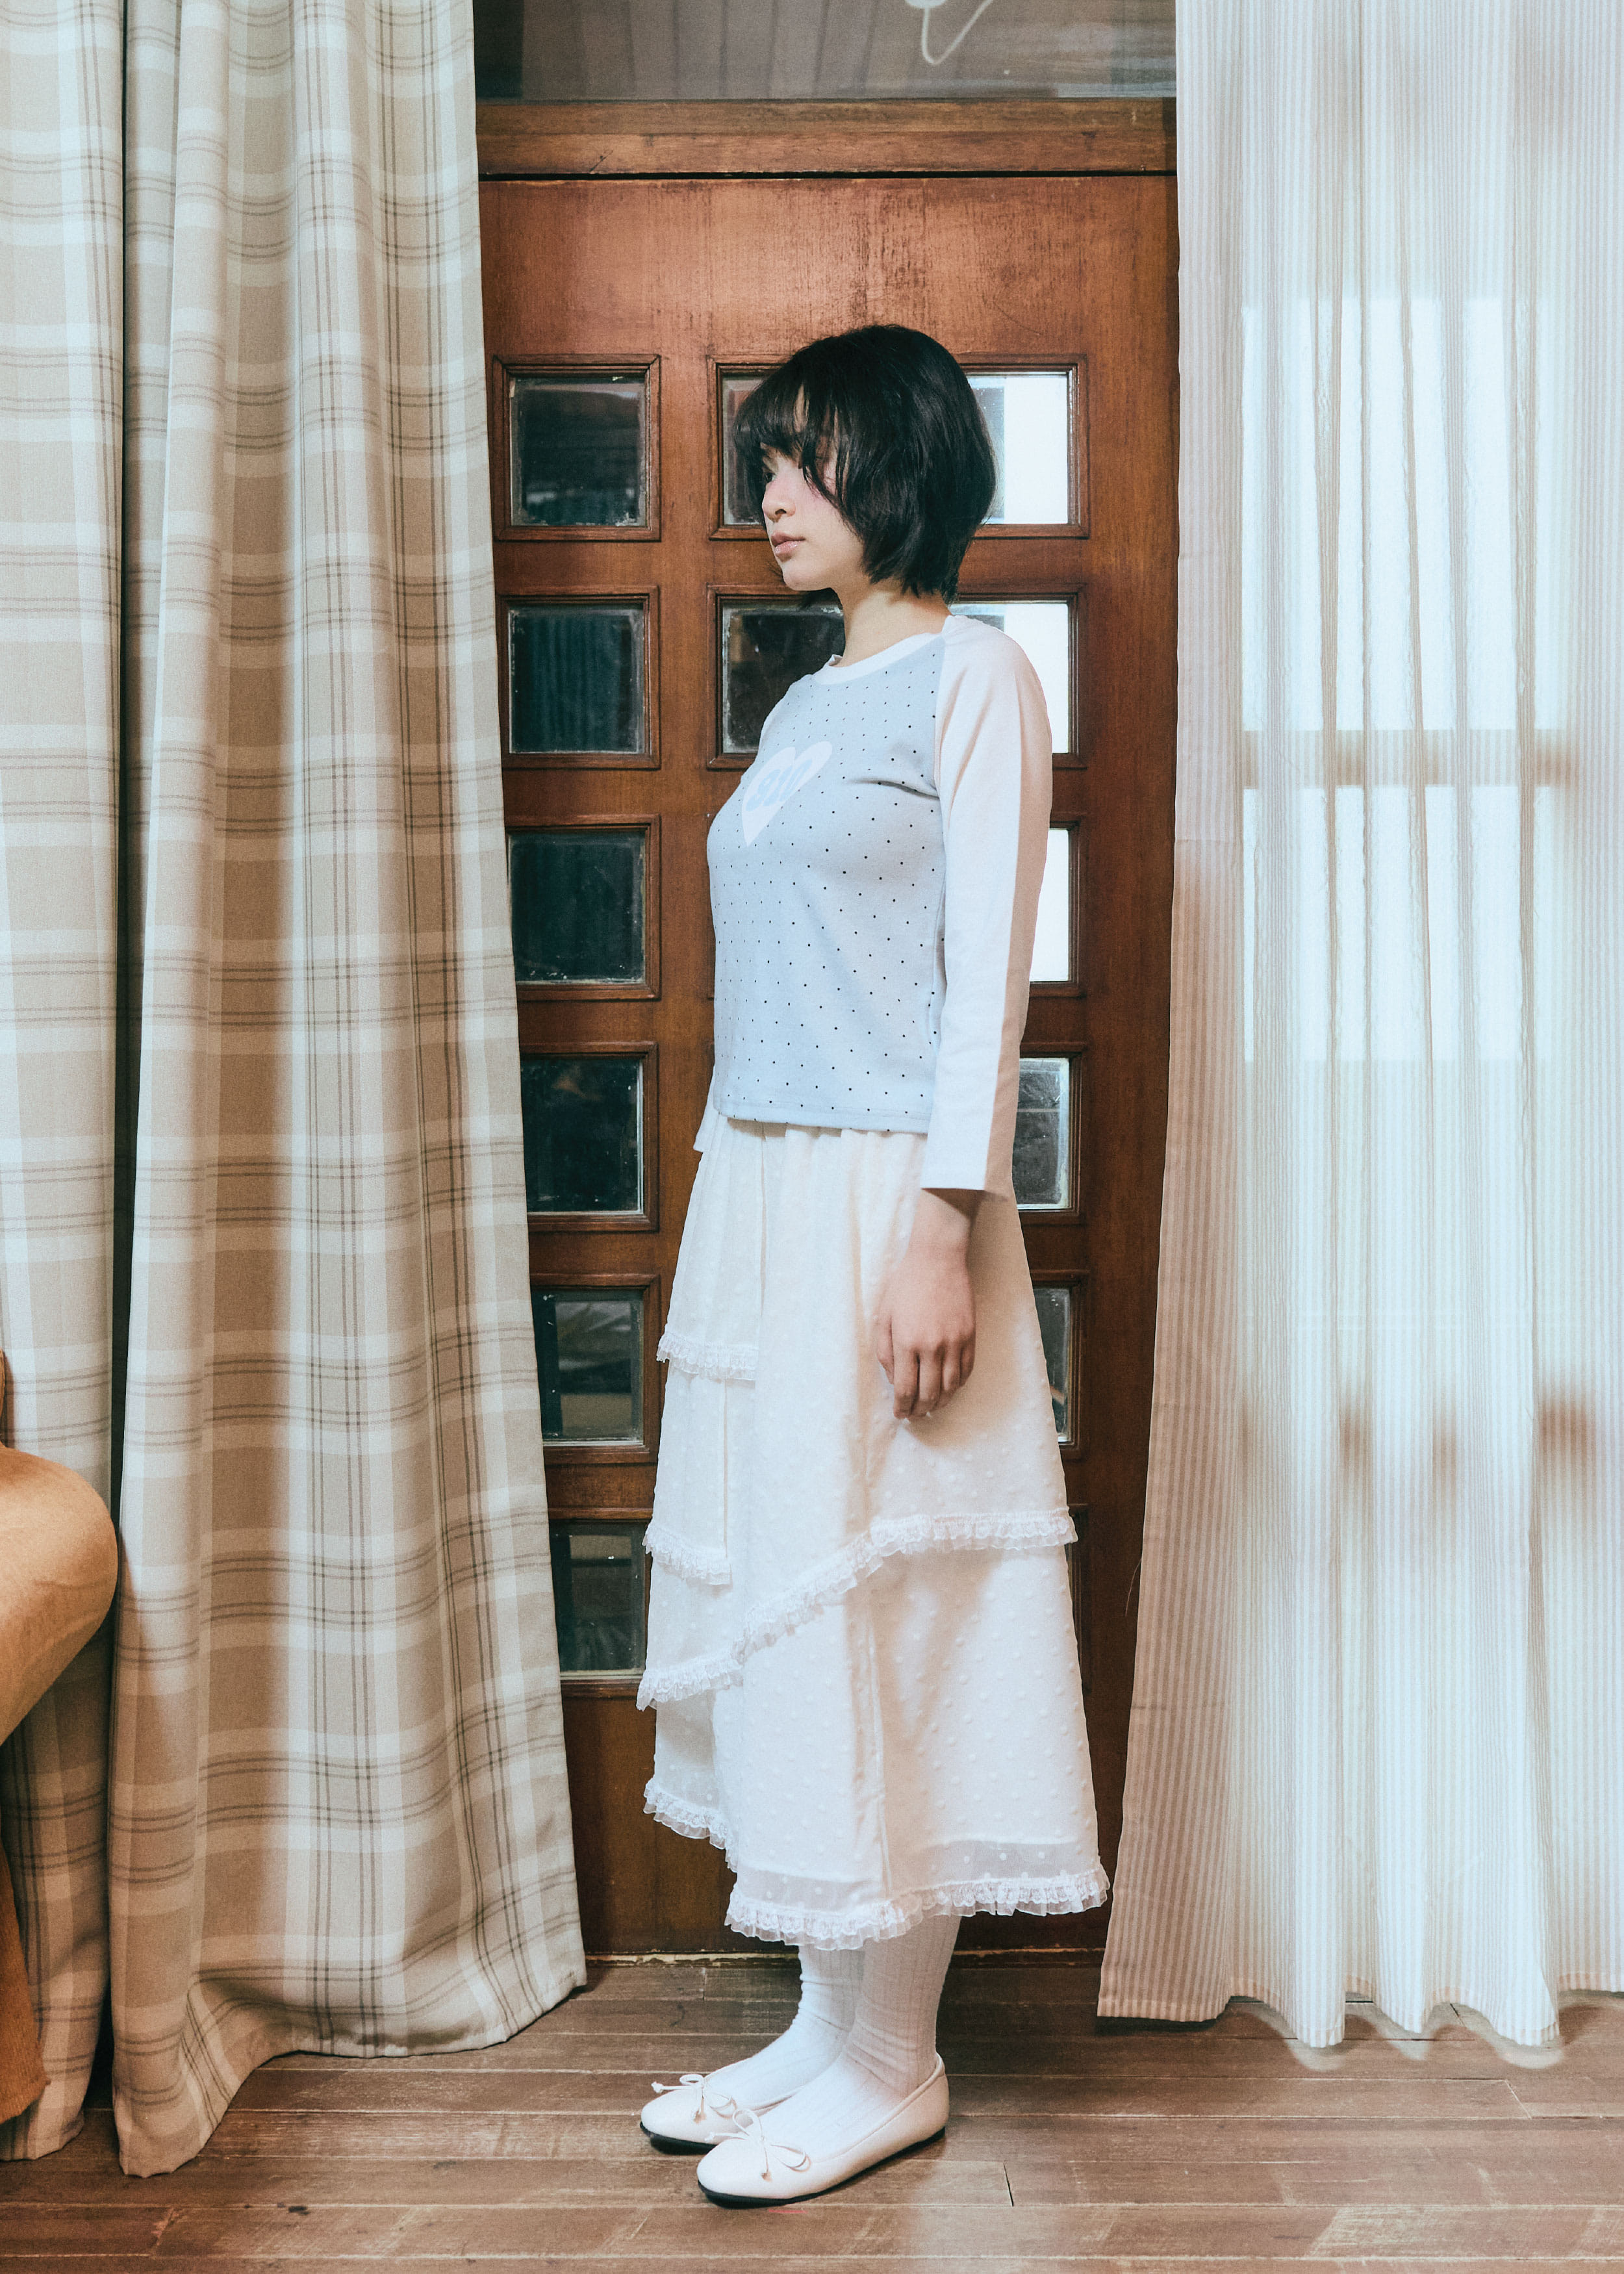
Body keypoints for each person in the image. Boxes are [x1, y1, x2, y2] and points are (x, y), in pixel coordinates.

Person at [635, 324, 1104, 2206]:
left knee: (887, 1603)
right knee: (797, 1600)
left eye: (803, 459)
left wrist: (939, 1230)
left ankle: (897, 2060)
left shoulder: (975, 678)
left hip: (890, 1202)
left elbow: (986, 981)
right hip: (762, 1189)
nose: (769, 496)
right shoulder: (805, 705)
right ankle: (829, 2029)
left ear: (898, 468)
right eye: (769, 462)